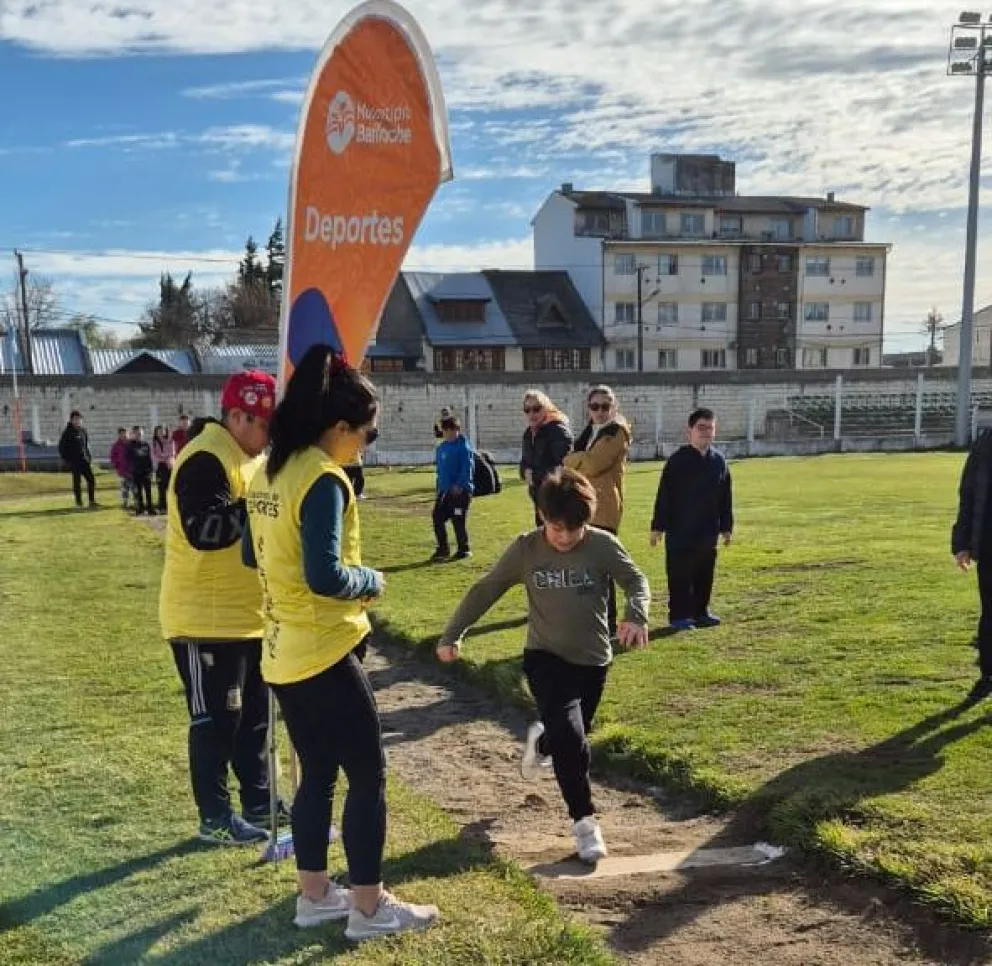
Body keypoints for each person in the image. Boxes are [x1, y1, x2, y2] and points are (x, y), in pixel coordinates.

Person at [243, 344, 438, 939]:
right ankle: (369, 909)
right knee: (367, 774)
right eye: (367, 435)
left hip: (279, 651)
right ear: (339, 427)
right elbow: (326, 575)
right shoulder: (324, 480)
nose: (366, 446)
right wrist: (370, 580)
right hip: (323, 648)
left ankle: (314, 897)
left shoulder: (269, 471)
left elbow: (253, 552)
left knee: (320, 773)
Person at [437, 468, 649, 863]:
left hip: (593, 661)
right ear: (541, 514)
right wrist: (453, 634)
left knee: (570, 737)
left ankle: (544, 741)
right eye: (556, 528)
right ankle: (584, 824)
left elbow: (636, 580)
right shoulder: (526, 549)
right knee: (574, 743)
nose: (565, 537)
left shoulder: (602, 546)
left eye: (574, 529)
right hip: (545, 659)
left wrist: (637, 614)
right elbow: (487, 588)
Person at [159, 370, 281, 846]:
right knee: (215, 720)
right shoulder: (206, 459)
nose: (269, 434)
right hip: (202, 621)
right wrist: (258, 505)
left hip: (248, 617)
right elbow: (205, 531)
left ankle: (260, 800)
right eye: (263, 423)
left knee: (255, 717)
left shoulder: (251, 458)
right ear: (236, 416)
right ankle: (214, 816)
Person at [650, 408, 733, 632]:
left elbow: (725, 497)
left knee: (704, 573)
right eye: (701, 427)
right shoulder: (678, 461)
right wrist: (658, 527)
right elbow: (664, 495)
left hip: (707, 530)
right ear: (690, 431)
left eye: (710, 428)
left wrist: (726, 527)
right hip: (681, 531)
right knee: (680, 574)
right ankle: (680, 616)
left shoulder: (719, 461)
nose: (705, 432)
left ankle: (701, 612)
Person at [564, 385, 632, 635]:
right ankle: (590, 620)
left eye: (606, 406)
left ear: (614, 408)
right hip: (583, 505)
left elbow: (592, 464)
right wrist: (576, 461)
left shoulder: (616, 432)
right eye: (595, 406)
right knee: (583, 566)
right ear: (588, 408)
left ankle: (609, 624)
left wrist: (571, 460)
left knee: (602, 567)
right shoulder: (590, 431)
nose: (600, 411)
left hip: (603, 508)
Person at [951, 429, 992, 703]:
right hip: (990, 545)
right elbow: (968, 493)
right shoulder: (986, 443)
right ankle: (988, 674)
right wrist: (962, 542)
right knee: (990, 613)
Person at [520, 390, 572, 526]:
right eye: (527, 410)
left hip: (557, 497)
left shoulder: (557, 430)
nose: (531, 414)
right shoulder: (529, 433)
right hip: (538, 496)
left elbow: (564, 467)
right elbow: (525, 462)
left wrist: (534, 475)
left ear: (546, 408)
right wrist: (524, 472)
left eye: (536, 409)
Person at [431, 416, 475, 562]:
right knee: (437, 517)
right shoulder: (441, 448)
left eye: (452, 431)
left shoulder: (463, 447)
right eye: (446, 431)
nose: (449, 434)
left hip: (460, 492)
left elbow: (467, 468)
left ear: (457, 430)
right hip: (444, 492)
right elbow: (440, 470)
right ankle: (443, 548)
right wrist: (439, 487)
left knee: (458, 520)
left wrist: (460, 485)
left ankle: (464, 549)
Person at [58, 410, 97, 509]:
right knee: (77, 483)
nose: (78, 421)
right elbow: (61, 447)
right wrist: (67, 460)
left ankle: (91, 501)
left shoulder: (83, 431)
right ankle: (78, 503)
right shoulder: (67, 432)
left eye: (79, 419)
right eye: (75, 419)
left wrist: (89, 457)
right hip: (74, 462)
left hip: (85, 460)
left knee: (91, 480)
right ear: (71, 420)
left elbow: (86, 446)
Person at [127, 426, 155, 516]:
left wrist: (151, 470)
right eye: (137, 434)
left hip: (146, 471)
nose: (139, 435)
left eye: (141, 434)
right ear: (133, 434)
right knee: (138, 492)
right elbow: (128, 458)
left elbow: (149, 458)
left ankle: (150, 508)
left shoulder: (146, 445)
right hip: (136, 471)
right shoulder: (130, 445)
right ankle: (140, 509)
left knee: (148, 491)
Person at [152, 425, 176, 513]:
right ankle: (162, 507)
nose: (161, 433)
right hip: (160, 467)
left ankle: (172, 508)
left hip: (170, 466)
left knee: (171, 488)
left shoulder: (170, 440)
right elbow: (155, 455)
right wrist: (165, 456)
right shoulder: (155, 442)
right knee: (161, 488)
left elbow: (172, 452)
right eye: (158, 431)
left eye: (162, 431)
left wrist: (163, 455)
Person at [109, 427, 133, 510]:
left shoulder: (131, 444)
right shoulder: (116, 445)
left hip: (132, 470)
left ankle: (136, 502)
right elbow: (113, 457)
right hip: (122, 470)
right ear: (119, 435)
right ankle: (125, 502)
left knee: (134, 486)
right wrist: (117, 465)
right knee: (124, 487)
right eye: (122, 434)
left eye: (125, 434)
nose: (124, 435)